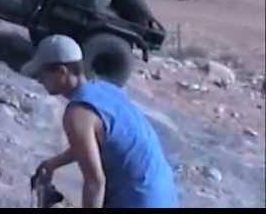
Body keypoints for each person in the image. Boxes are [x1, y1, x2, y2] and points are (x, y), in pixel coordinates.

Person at [22, 35, 179, 208]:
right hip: (164, 195)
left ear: (61, 72)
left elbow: (95, 183)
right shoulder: (104, 89)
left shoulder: (78, 113)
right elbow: (94, 144)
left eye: (41, 74)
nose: (39, 80)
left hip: (139, 200)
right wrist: (54, 163)